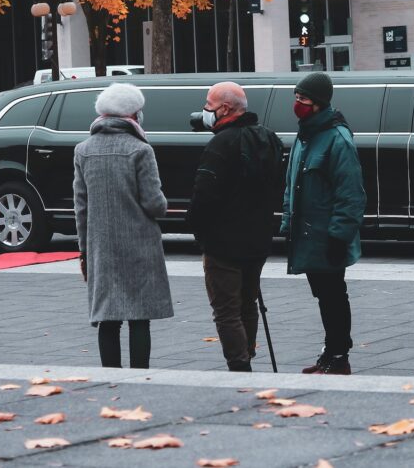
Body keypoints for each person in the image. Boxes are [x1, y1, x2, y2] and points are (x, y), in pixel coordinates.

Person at [73, 83, 173, 368]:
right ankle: (140, 374)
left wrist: (84, 250)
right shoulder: (140, 149)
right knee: (139, 316)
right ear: (133, 115)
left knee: (108, 316)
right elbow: (154, 203)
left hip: (101, 245)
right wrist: (165, 205)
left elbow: (81, 207)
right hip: (139, 243)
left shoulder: (83, 150)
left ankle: (110, 375)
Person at [188, 82, 284, 372]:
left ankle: (239, 362)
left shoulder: (221, 144)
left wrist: (197, 229)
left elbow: (204, 194)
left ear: (225, 109)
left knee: (226, 308)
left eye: (208, 103)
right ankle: (248, 354)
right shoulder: (268, 138)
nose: (205, 109)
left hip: (223, 241)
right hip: (258, 238)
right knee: (248, 302)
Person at [279, 72, 366, 375]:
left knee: (333, 296)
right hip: (308, 233)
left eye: (302, 99)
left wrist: (339, 235)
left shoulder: (336, 139)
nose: (297, 103)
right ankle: (330, 352)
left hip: (327, 236)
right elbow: (292, 183)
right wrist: (287, 221)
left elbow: (351, 194)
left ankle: (339, 357)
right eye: (297, 97)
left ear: (318, 103)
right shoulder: (307, 135)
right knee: (325, 296)